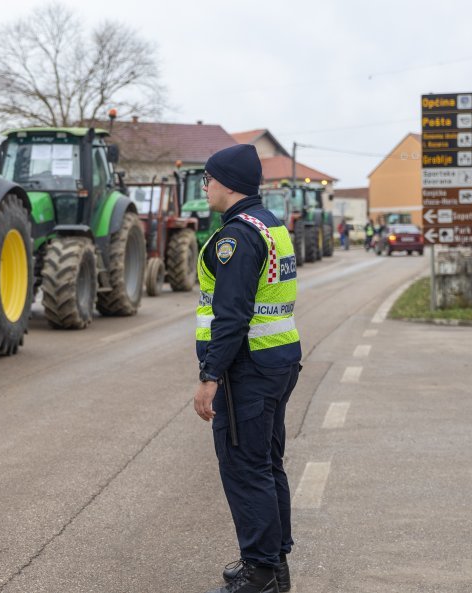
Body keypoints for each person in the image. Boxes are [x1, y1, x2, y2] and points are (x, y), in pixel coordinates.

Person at [194, 144, 302, 593]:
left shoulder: (236, 238)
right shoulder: (270, 224)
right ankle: (273, 564)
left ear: (227, 183)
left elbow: (232, 315)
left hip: (247, 369)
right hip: (278, 359)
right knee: (266, 463)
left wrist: (209, 376)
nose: (205, 186)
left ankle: (259, 573)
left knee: (245, 467)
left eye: (209, 179)